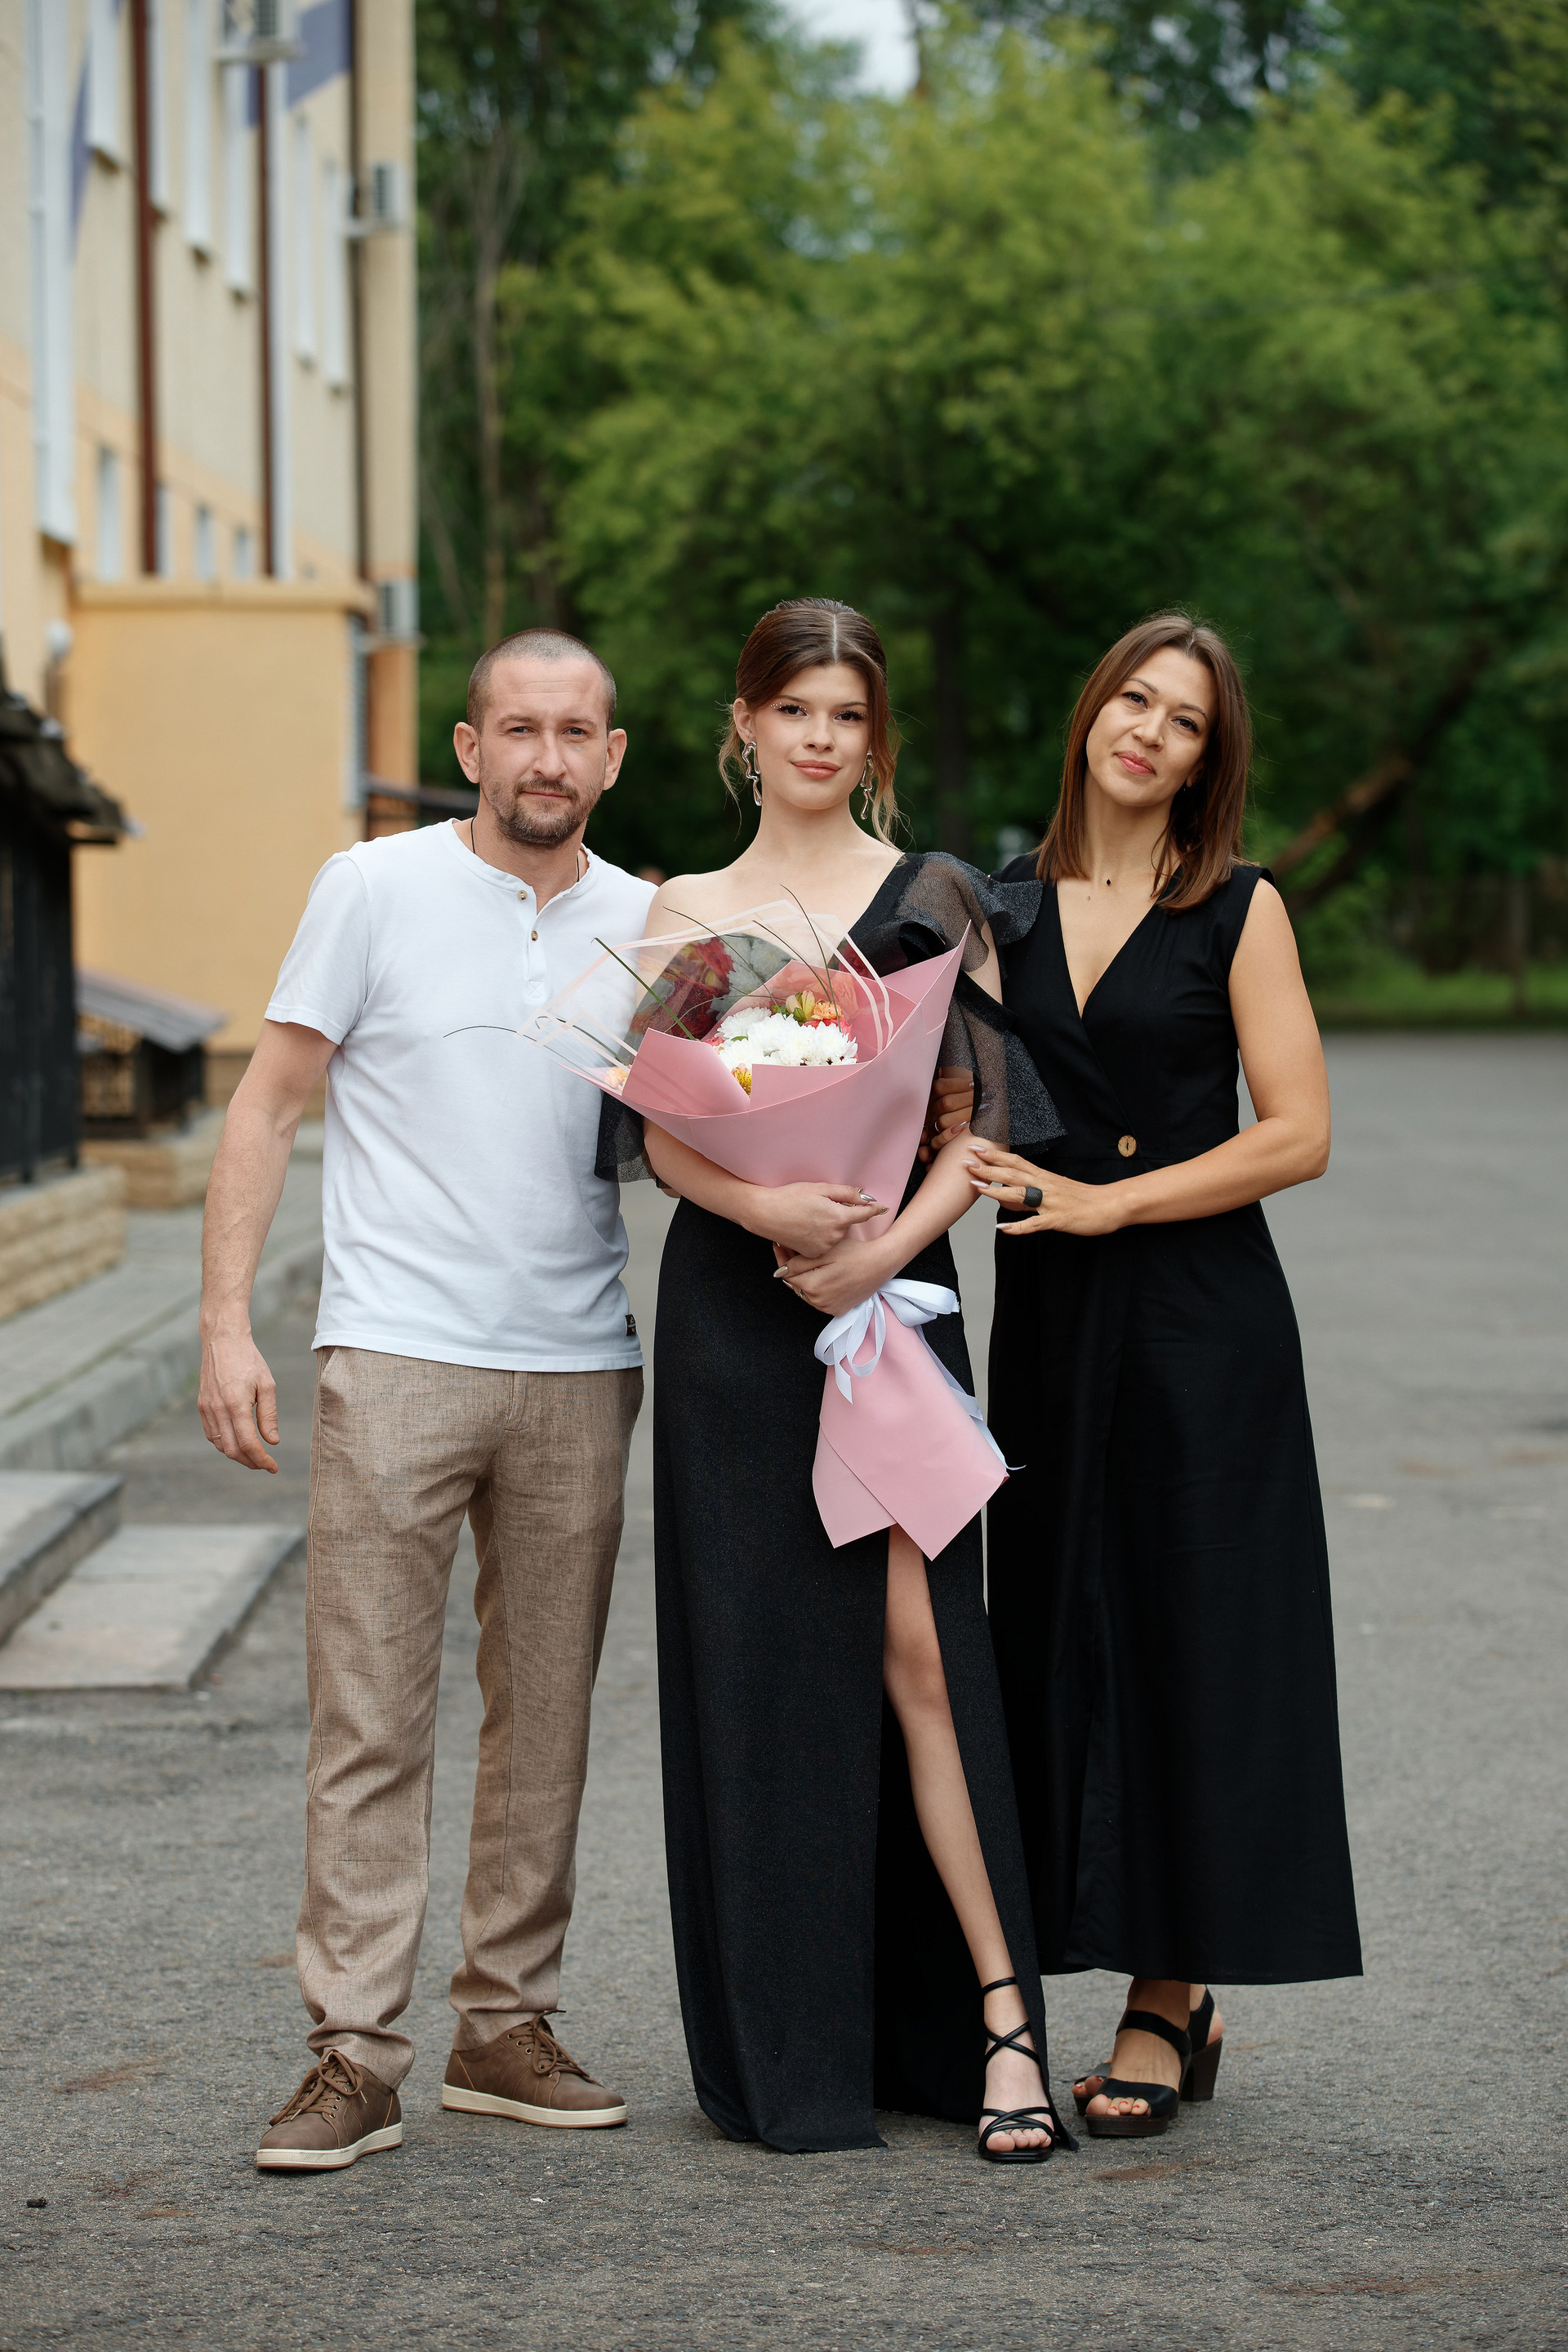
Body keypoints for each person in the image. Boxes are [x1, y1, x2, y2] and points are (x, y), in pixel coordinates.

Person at [599, 597, 1073, 2160]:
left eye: (847, 714)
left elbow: (976, 1125)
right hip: (739, 1321)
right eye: (793, 708)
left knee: (925, 1658)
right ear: (744, 725)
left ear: (875, 739)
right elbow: (662, 1132)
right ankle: (787, 2052)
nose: (819, 736)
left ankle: (1001, 2030)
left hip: (890, 1308)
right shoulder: (685, 910)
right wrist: (769, 1210)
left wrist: (881, 1255)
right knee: (761, 1672)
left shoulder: (932, 894)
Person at [198, 630, 655, 2171]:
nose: (547, 757)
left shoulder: (653, 925)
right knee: (369, 1714)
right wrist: (225, 1325)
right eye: (518, 728)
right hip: (394, 1352)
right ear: (469, 747)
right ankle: (352, 2052)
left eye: (575, 732)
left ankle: (505, 2024)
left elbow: (722, 1127)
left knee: (547, 1720)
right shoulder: (370, 888)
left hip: (581, 1363)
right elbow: (269, 1102)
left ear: (612, 757)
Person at [968, 612, 1361, 2138]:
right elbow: (945, 1101)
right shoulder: (998, 904)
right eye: (1134, 699)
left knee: (1192, 1636)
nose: (1149, 731)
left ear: (1208, 760)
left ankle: (1168, 1994)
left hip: (1202, 1322)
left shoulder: (1237, 907)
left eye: (1185, 720)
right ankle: (1047, 1971)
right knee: (1062, 1627)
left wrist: (1109, 1203)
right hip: (1052, 1327)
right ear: (1091, 714)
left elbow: (1298, 1132)